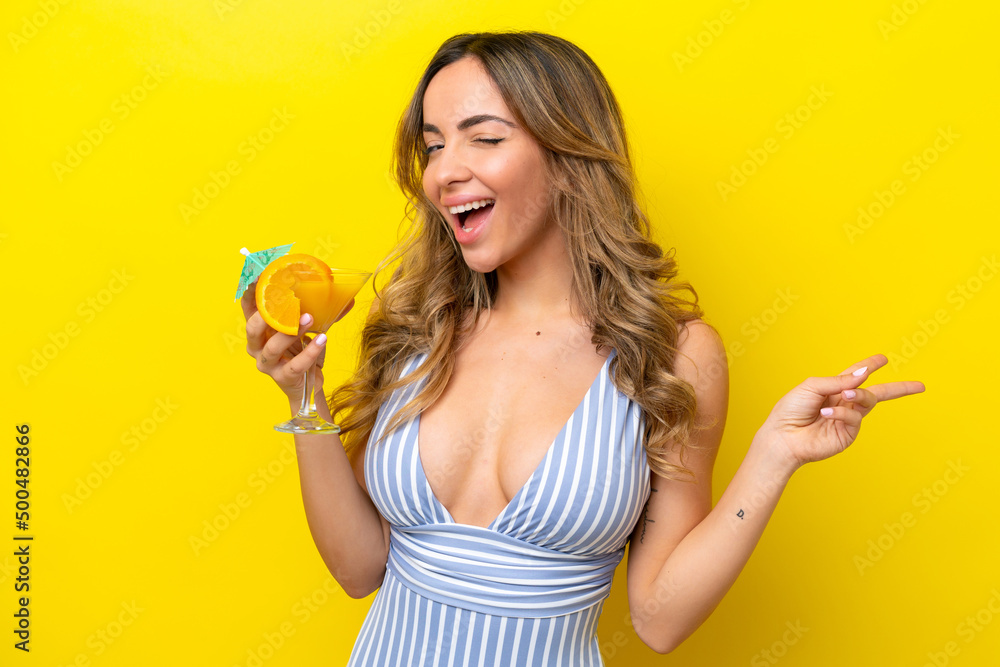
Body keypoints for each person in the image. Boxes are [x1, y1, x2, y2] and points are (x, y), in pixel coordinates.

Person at [241, 30, 925, 665]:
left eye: (482, 138)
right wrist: (303, 396)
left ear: (567, 155)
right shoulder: (416, 326)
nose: (445, 171)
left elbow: (658, 617)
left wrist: (774, 455)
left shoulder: (672, 355)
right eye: (435, 144)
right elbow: (359, 568)